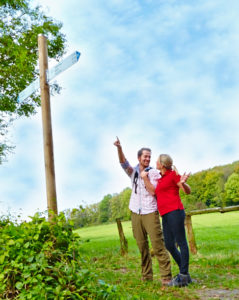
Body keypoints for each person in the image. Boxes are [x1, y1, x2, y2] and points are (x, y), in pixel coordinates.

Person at [113, 137, 172, 285]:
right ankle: (147, 276)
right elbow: (123, 162)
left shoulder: (153, 173)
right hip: (135, 212)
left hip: (150, 211)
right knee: (142, 246)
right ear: (139, 158)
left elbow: (155, 192)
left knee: (158, 244)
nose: (147, 159)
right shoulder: (133, 172)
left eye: (149, 157)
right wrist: (119, 148)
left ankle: (166, 277)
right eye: (145, 156)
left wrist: (146, 178)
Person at [141, 154, 192, 287]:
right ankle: (185, 274)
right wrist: (145, 178)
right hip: (165, 215)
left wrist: (183, 184)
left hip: (175, 211)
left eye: (157, 160)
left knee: (181, 242)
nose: (155, 162)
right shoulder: (161, 178)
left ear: (162, 164)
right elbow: (155, 192)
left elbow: (187, 191)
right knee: (169, 244)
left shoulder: (173, 175)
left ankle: (183, 275)